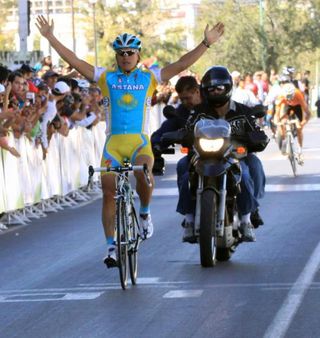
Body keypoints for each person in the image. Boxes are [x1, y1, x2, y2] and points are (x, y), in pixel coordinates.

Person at [36, 15, 225, 267]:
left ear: (138, 55)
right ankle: (111, 247)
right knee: (107, 192)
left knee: (145, 172)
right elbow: (75, 60)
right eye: (121, 52)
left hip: (139, 143)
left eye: (131, 52)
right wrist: (50, 37)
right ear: (116, 56)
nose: (126, 56)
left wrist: (205, 43)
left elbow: (180, 64)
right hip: (113, 144)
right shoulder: (105, 77)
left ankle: (145, 214)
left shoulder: (150, 77)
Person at [171, 66, 269, 242]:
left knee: (246, 175)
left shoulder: (243, 111)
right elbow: (187, 129)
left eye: (219, 88)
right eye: (210, 89)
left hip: (234, 157)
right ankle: (189, 218)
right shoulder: (199, 111)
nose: (215, 91)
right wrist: (177, 135)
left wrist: (258, 137)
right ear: (204, 91)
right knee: (183, 170)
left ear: (228, 88)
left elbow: (256, 130)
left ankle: (246, 220)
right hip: (203, 156)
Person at [274, 82, 311, 162]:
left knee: (299, 128)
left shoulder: (298, 94)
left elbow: (308, 113)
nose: (289, 99)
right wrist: (277, 121)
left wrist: (303, 123)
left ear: (293, 94)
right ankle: (284, 139)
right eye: (287, 97)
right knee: (282, 121)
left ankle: (300, 149)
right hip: (286, 105)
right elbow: (277, 113)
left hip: (297, 106)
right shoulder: (281, 96)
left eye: (291, 97)